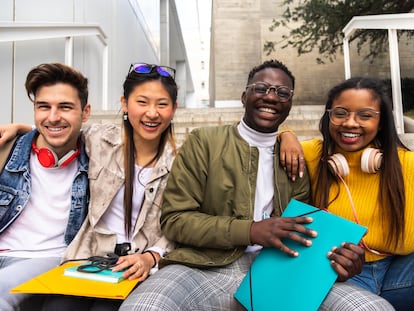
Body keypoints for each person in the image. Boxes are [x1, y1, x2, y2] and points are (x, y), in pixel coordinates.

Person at [119, 60, 394, 311]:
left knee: (372, 308)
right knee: (144, 306)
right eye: (261, 88)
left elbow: (306, 232)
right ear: (244, 96)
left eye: (282, 92)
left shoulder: (298, 159)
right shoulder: (204, 142)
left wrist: (338, 262)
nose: (271, 96)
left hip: (281, 270)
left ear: (289, 103)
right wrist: (251, 231)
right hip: (204, 266)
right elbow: (176, 220)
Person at [1, 63, 178, 311]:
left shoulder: (182, 163)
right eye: (142, 102)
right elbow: (58, 129)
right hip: (90, 256)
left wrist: (152, 256)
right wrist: (24, 130)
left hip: (136, 262)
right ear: (125, 104)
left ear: (174, 109)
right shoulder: (102, 141)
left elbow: (181, 222)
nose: (152, 113)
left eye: (161, 104)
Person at [279, 77, 414, 310]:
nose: (351, 123)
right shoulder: (312, 155)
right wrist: (286, 135)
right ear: (328, 117)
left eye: (365, 115)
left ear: (381, 122)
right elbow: (266, 139)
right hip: (340, 274)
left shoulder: (407, 163)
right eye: (340, 113)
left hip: (400, 271)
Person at [0, 63, 91, 310]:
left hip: (48, 258)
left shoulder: (99, 155)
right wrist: (24, 130)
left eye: (65, 107)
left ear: (85, 113)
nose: (52, 117)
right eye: (44, 107)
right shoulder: (7, 149)